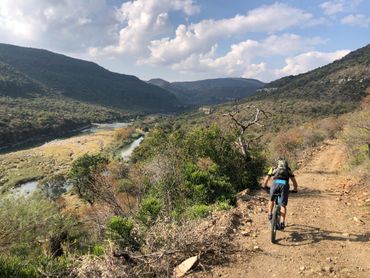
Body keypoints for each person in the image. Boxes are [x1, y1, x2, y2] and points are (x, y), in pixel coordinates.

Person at [262, 158, 298, 230]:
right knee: (283, 205)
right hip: (284, 185)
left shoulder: (273, 169)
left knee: (271, 200)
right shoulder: (288, 169)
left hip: (275, 184)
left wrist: (264, 186)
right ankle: (282, 222)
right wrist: (295, 189)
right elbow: (294, 182)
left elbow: (266, 179)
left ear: (277, 164)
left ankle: (269, 214)